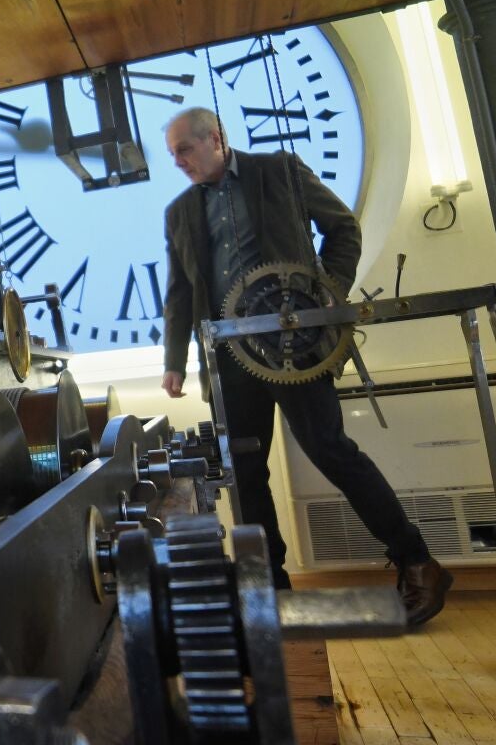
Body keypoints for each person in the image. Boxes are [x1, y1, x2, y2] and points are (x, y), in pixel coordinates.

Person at [159, 107, 452, 626]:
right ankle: (268, 588)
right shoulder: (180, 212)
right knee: (245, 472)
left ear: (216, 138)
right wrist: (175, 361)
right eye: (173, 154)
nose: (178, 162)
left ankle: (418, 562)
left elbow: (343, 230)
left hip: (297, 345)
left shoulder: (281, 172)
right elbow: (180, 291)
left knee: (330, 450)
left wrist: (323, 299)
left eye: (185, 149)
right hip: (229, 356)